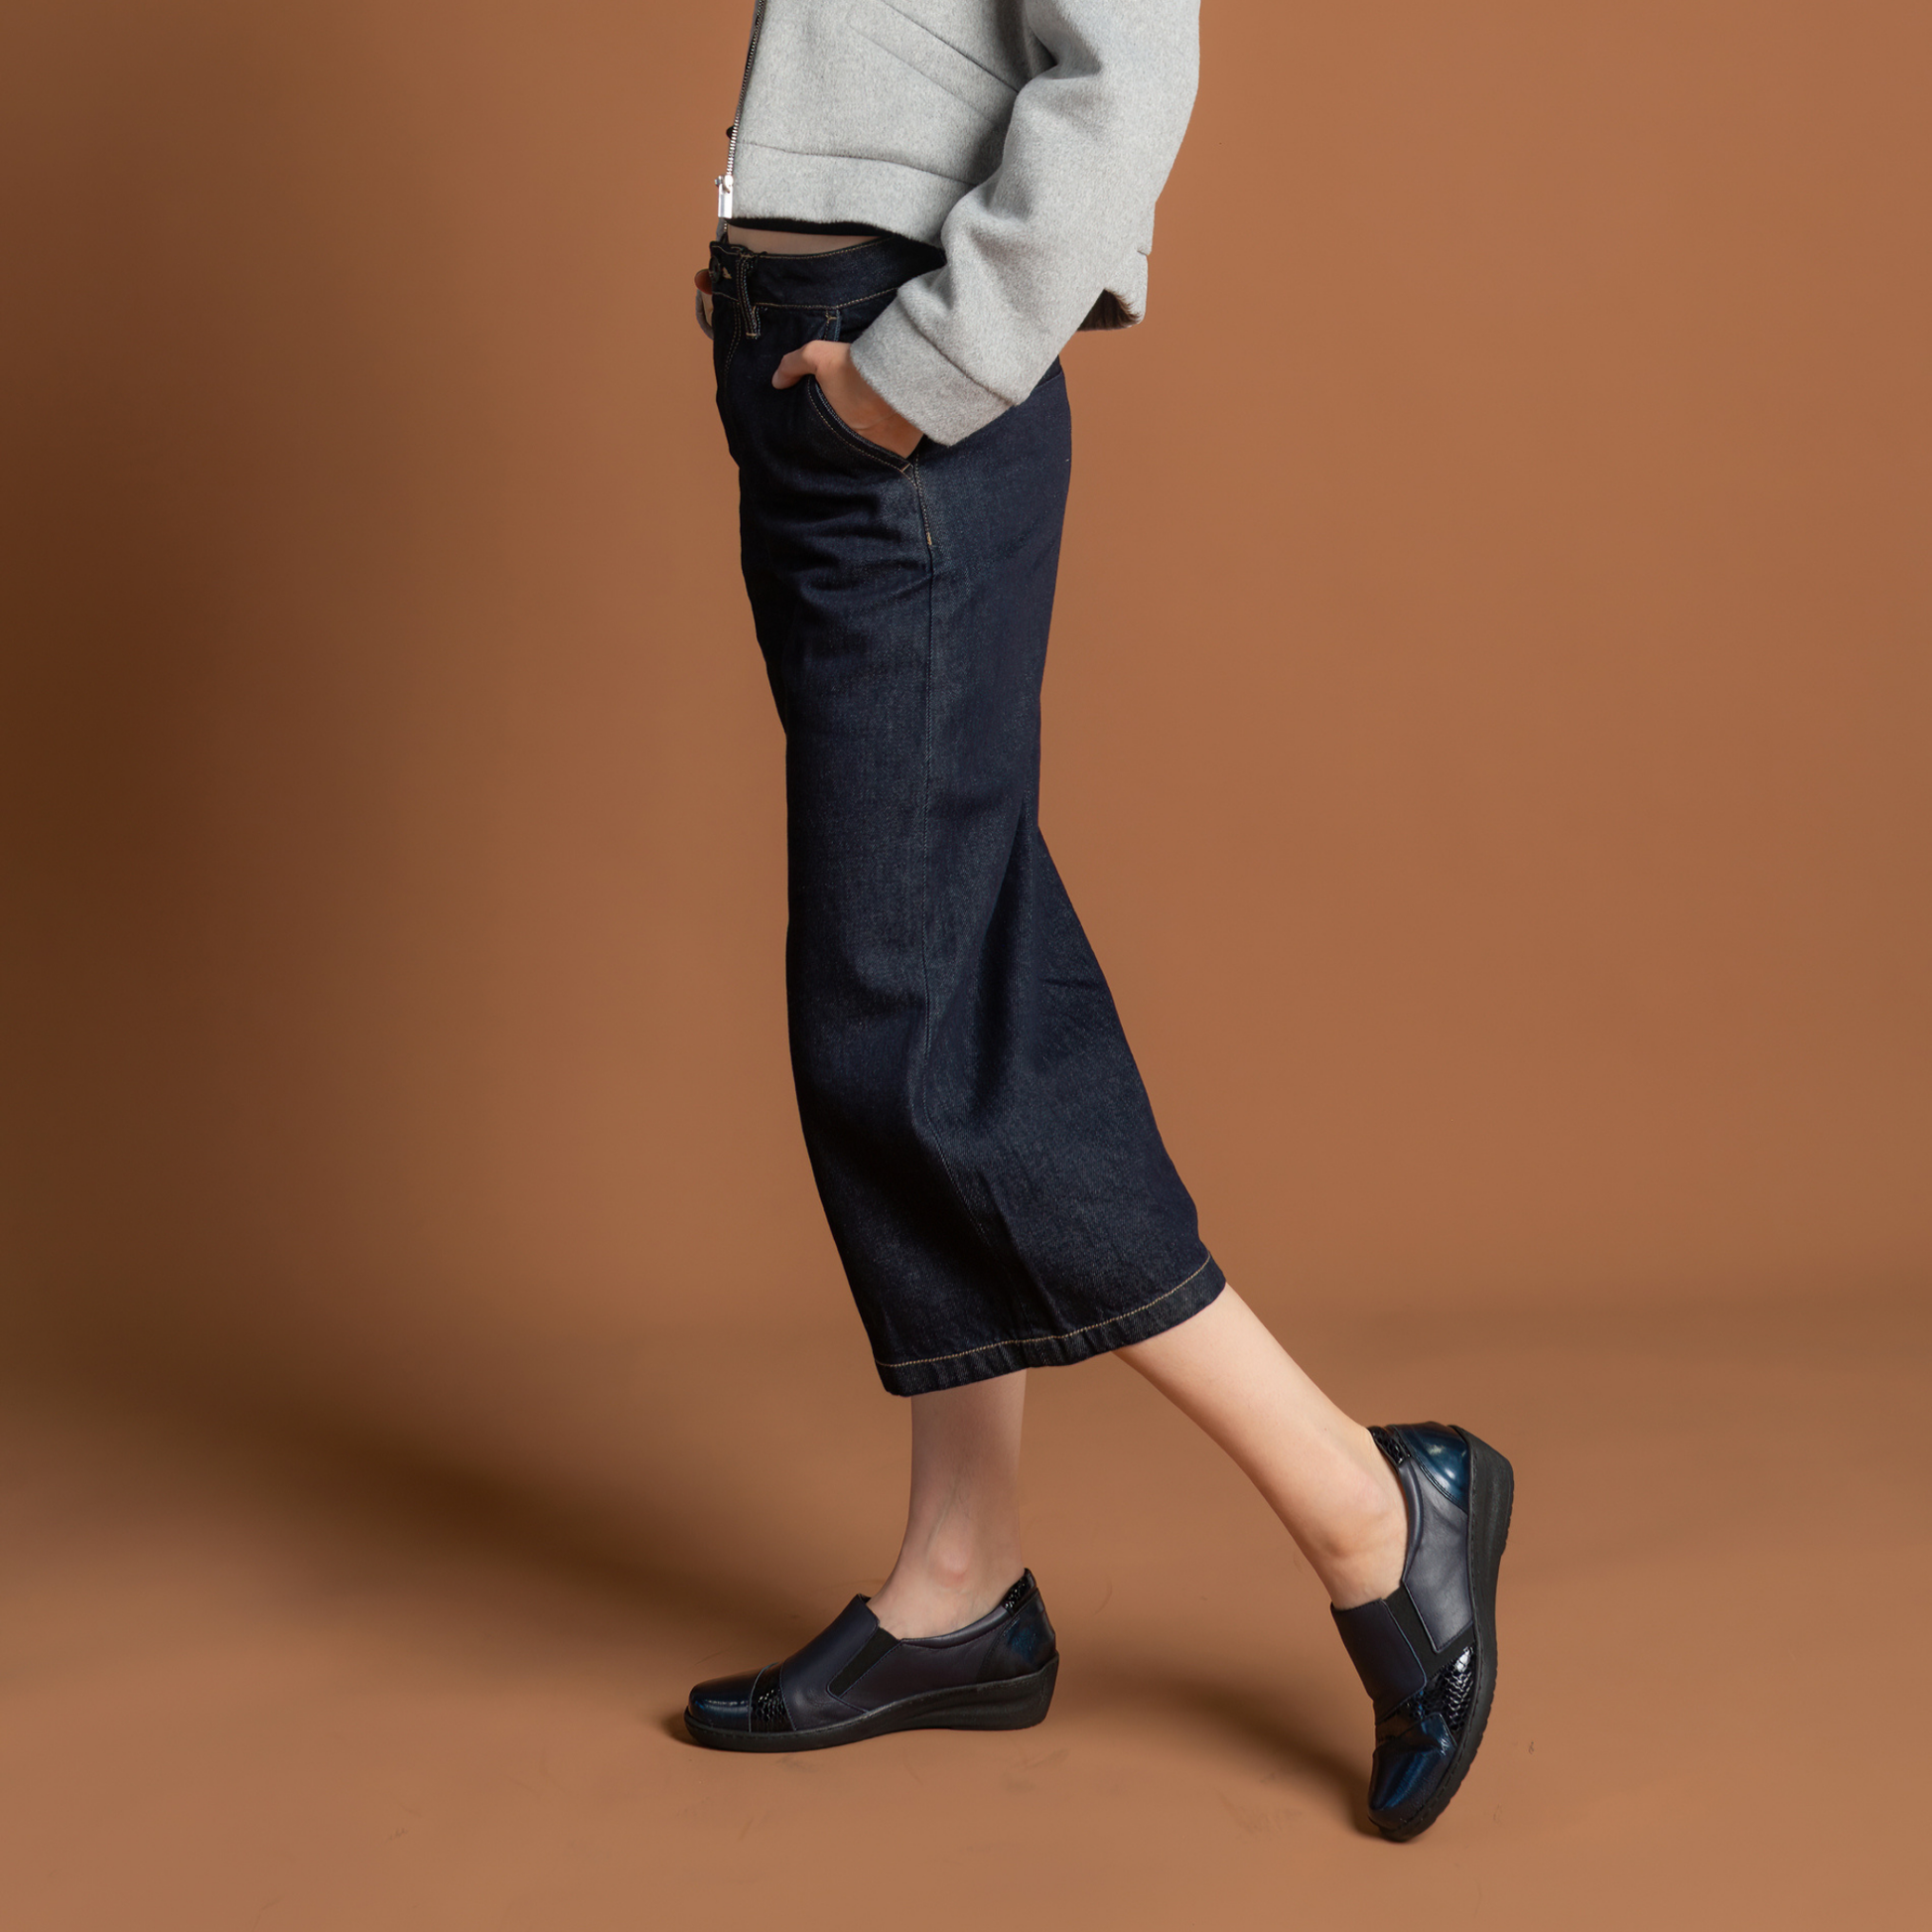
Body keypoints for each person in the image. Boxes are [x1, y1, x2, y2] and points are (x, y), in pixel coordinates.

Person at [683, 0, 1512, 1842]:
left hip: (896, 383)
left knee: (907, 1026)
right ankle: (960, 1575)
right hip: (802, 359)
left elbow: (1127, 71)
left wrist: (915, 368)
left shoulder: (908, 372)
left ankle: (1371, 1503)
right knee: (943, 957)